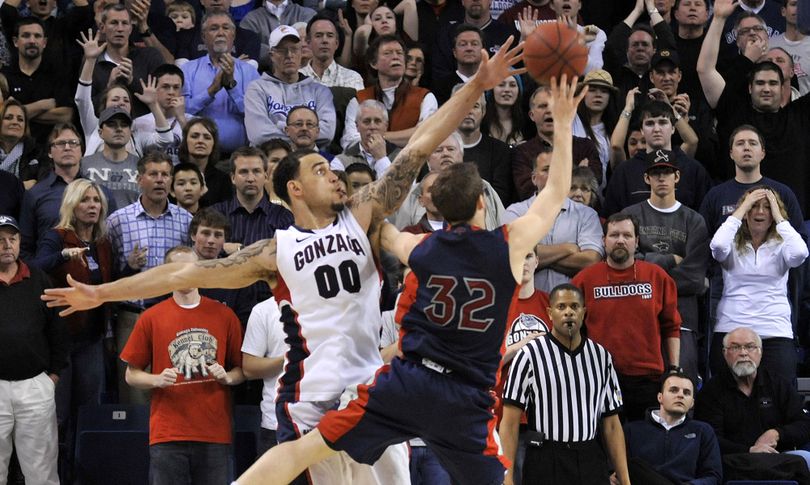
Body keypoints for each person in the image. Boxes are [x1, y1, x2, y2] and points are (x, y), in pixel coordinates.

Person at [41, 38, 526, 485]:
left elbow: (418, 147)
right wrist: (101, 292)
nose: (334, 175)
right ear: (294, 188)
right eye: (320, 170)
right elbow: (181, 272)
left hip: (376, 392)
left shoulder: (361, 216)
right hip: (313, 397)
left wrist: (476, 87)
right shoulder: (274, 251)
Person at [120, 246, 244, 485]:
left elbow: (242, 371)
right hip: (168, 433)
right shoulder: (151, 317)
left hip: (214, 432)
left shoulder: (224, 315)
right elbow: (131, 375)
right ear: (167, 272)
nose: (185, 274)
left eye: (190, 268)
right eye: (178, 269)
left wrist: (227, 377)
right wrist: (156, 379)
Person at [27, 179, 113, 482]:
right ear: (72, 205)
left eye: (96, 200)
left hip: (91, 338)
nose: (92, 206)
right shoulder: (57, 236)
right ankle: (53, 476)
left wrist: (128, 267)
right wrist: (65, 255)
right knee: (58, 415)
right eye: (85, 200)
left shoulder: (102, 242)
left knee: (88, 411)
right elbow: (36, 267)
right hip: (60, 343)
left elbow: (106, 285)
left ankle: (83, 474)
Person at [501, 284, 629, 485]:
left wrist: (625, 479)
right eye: (561, 307)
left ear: (584, 313)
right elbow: (509, 423)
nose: (569, 312)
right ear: (549, 313)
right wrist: (507, 478)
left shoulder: (601, 357)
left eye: (575, 306)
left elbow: (612, 425)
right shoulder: (529, 355)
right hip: (545, 456)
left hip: (589, 455)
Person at [698, 0, 810, 214]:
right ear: (750, 87)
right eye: (760, 83)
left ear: (785, 82)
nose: (766, 88)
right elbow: (705, 70)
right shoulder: (735, 112)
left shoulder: (800, 115)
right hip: (743, 218)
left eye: (773, 82)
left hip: (794, 219)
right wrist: (719, 18)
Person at [572, 213, 682, 421]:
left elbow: (671, 326)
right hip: (598, 378)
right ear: (603, 241)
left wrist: (674, 369)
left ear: (637, 241)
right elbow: (572, 331)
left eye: (627, 235)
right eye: (614, 235)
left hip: (647, 379)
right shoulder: (583, 280)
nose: (620, 240)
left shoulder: (657, 277)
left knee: (643, 446)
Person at [106, 151, 193, 403]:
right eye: (153, 174)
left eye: (165, 174)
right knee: (134, 395)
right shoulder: (118, 221)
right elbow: (108, 275)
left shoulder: (186, 221)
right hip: (131, 316)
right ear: (139, 179)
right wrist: (129, 267)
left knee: (173, 389)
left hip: (173, 317)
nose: (160, 180)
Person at [620, 160, 710, 383]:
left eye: (667, 172)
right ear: (646, 178)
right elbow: (624, 265)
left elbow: (694, 278)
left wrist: (647, 272)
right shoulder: (629, 215)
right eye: (656, 172)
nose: (662, 178)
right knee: (641, 387)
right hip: (638, 316)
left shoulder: (694, 220)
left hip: (683, 317)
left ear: (677, 177)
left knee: (680, 383)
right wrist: (670, 259)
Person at [708, 186, 808, 381]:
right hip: (731, 328)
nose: (760, 212)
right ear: (745, 212)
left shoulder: (782, 245)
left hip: (774, 330)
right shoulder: (731, 243)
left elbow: (800, 253)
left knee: (780, 397)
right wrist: (742, 206)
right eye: (754, 206)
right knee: (725, 397)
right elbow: (717, 246)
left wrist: (780, 218)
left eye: (767, 207)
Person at [0, 214, 67, 485]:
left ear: (19, 242)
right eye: (0, 240)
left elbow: (59, 333)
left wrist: (51, 378)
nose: (7, 245)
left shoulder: (40, 280)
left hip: (35, 385)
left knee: (41, 472)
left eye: (12, 239)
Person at [696, 327, 810, 480]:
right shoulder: (711, 391)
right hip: (734, 460)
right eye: (735, 347)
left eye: (750, 347)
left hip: (778, 458)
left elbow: (804, 425)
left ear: (760, 352)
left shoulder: (778, 384)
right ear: (725, 353)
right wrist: (750, 450)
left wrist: (776, 433)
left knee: (806, 459)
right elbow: (710, 438)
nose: (743, 353)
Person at [504, 147, 604, 292]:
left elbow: (591, 261)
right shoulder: (515, 213)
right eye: (546, 170)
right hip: (527, 307)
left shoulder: (587, 215)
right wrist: (568, 248)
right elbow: (511, 258)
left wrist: (534, 258)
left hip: (573, 308)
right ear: (534, 178)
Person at [604, 100, 711, 216]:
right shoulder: (624, 171)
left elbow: (704, 219)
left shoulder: (693, 169)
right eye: (650, 124)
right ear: (642, 130)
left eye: (663, 122)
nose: (656, 129)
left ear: (674, 128)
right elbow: (611, 218)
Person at [180, 11, 260, 154]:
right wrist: (211, 91)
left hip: (238, 156)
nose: (220, 33)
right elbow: (182, 112)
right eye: (214, 28)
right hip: (198, 155)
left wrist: (231, 87)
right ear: (203, 37)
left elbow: (256, 114)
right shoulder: (187, 70)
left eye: (226, 28)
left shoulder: (250, 72)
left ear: (233, 36)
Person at [622, 372, 722, 484]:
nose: (680, 395)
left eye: (687, 393)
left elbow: (713, 476)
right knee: (634, 466)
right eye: (674, 390)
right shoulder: (632, 430)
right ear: (660, 397)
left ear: (692, 403)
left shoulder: (703, 431)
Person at [340, 35, 438, 150]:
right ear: (373, 63)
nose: (396, 57)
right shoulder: (359, 99)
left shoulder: (425, 97)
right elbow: (349, 140)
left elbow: (427, 134)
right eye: (388, 53)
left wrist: (379, 137)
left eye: (400, 53)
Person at [244, 25, 335, 147]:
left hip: (309, 158)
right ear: (272, 55)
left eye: (294, 49)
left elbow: (327, 133)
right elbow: (258, 134)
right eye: (282, 50)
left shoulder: (320, 91)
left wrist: (280, 126)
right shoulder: (257, 89)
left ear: (301, 52)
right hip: (271, 159)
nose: (289, 55)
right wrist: (303, 137)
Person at [392, 132, 505, 230]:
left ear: (461, 155)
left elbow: (504, 230)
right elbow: (401, 235)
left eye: (451, 149)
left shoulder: (483, 188)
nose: (445, 154)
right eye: (438, 150)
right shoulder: (413, 194)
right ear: (428, 160)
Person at [2, 18, 74, 145]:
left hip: (48, 150)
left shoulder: (58, 74)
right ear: (15, 42)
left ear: (44, 42)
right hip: (12, 148)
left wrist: (17, 114)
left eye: (37, 36)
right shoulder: (5, 76)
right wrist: (42, 105)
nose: (32, 41)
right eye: (25, 36)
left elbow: (66, 115)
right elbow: (1, 117)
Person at [91, 4, 165, 118]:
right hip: (107, 129)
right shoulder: (92, 62)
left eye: (125, 23)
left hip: (146, 130)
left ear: (130, 28)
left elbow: (164, 101)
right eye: (114, 23)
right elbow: (86, 109)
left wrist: (132, 81)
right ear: (102, 27)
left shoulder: (150, 56)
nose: (120, 29)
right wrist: (109, 87)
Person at [241, 296, 287, 453]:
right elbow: (248, 368)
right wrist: (289, 358)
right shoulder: (264, 310)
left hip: (328, 421)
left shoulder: (330, 305)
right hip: (277, 423)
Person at [457, 88, 513, 204]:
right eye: (463, 105)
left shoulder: (500, 151)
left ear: (483, 111)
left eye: (475, 106)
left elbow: (499, 198)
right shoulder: (439, 150)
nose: (469, 111)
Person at [80, 107, 142, 209]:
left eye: (124, 125)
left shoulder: (142, 165)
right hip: (94, 224)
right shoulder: (84, 164)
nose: (119, 129)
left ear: (130, 132)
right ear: (100, 133)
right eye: (112, 124)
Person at [334, 100, 400, 175]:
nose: (372, 127)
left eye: (377, 121)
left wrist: (381, 158)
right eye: (366, 121)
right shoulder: (341, 161)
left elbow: (404, 186)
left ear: (386, 126)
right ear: (357, 126)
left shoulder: (402, 156)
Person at [177, 117, 232, 207]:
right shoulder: (173, 175)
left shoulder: (223, 180)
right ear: (185, 141)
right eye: (195, 136)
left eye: (207, 137)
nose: (200, 141)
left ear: (213, 144)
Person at [300, 15, 364, 90]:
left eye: (330, 36)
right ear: (309, 43)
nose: (324, 40)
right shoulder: (296, 78)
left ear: (336, 44)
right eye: (318, 36)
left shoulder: (352, 77)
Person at [0, 99, 46, 189]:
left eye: (20, 119)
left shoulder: (37, 153)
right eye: (8, 118)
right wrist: (21, 186)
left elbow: (43, 186)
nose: (15, 122)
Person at [771, 0, 810, 96]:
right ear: (783, 11)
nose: (798, 9)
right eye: (794, 4)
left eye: (802, 6)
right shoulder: (770, 44)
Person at [482, 74, 527, 147]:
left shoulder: (528, 123)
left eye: (512, 85)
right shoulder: (481, 123)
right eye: (501, 84)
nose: (507, 90)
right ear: (492, 90)